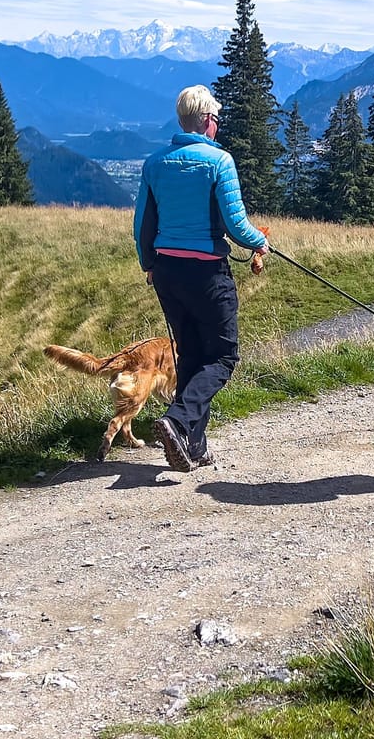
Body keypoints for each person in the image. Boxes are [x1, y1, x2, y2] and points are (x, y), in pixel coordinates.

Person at [132, 84, 269, 472]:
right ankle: (177, 420)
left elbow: (143, 223)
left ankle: (193, 445)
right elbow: (235, 225)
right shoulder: (219, 161)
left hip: (167, 272)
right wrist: (261, 243)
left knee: (191, 354)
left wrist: (148, 263)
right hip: (207, 271)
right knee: (223, 357)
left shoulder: (155, 163)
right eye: (217, 120)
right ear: (208, 121)